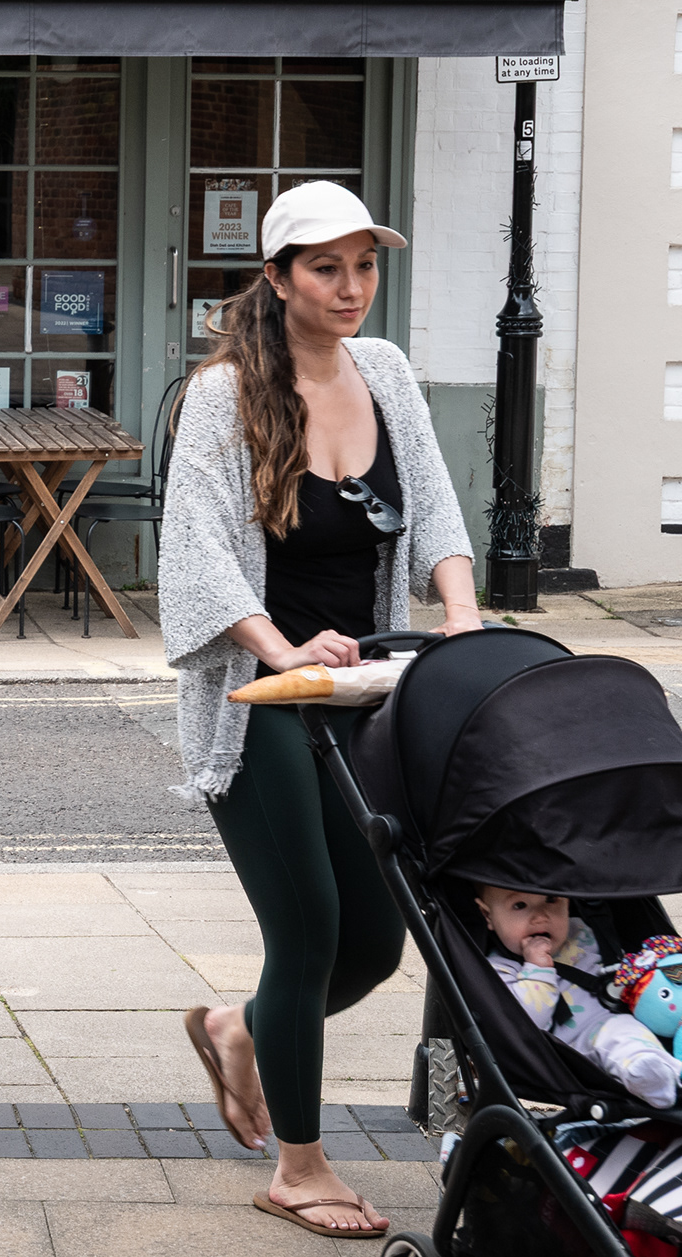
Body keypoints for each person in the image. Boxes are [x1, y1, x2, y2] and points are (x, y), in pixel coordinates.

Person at [159, 180, 481, 1240]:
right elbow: (198, 548)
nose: (351, 288)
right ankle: (298, 1167)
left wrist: (464, 617)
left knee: (376, 944)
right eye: (327, 268)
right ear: (278, 277)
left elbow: (431, 497)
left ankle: (236, 1033)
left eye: (365, 265)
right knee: (303, 934)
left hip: (368, 693)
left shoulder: (382, 372)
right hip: (259, 701)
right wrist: (279, 646)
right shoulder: (224, 394)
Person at [478, 887, 682, 1107]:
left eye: (551, 899)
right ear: (488, 915)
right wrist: (537, 968)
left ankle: (664, 1068)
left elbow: (615, 963)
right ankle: (654, 1081)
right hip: (573, 1044)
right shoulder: (499, 970)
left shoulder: (581, 931)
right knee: (622, 1037)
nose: (540, 915)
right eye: (519, 905)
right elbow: (528, 1023)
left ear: (567, 902)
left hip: (631, 1012)